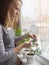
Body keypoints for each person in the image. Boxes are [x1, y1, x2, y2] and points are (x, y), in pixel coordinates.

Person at [0, 0, 36, 65]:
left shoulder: (8, 25)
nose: (18, 13)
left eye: (19, 10)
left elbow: (12, 41)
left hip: (13, 62)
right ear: (6, 6)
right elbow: (2, 57)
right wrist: (22, 45)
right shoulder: (0, 27)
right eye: (16, 9)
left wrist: (26, 35)